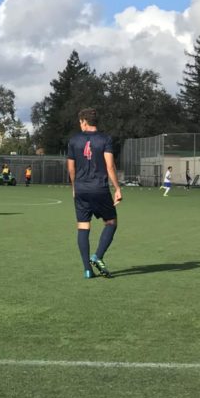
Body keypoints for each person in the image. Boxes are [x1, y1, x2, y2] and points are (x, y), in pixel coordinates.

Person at [67, 108, 122, 279]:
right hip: (99, 188)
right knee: (111, 222)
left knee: (83, 226)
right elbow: (110, 166)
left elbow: (71, 167)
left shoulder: (74, 140)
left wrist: (74, 187)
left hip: (81, 189)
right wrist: (117, 188)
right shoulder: (105, 139)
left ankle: (87, 270)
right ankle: (97, 256)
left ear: (84, 121)